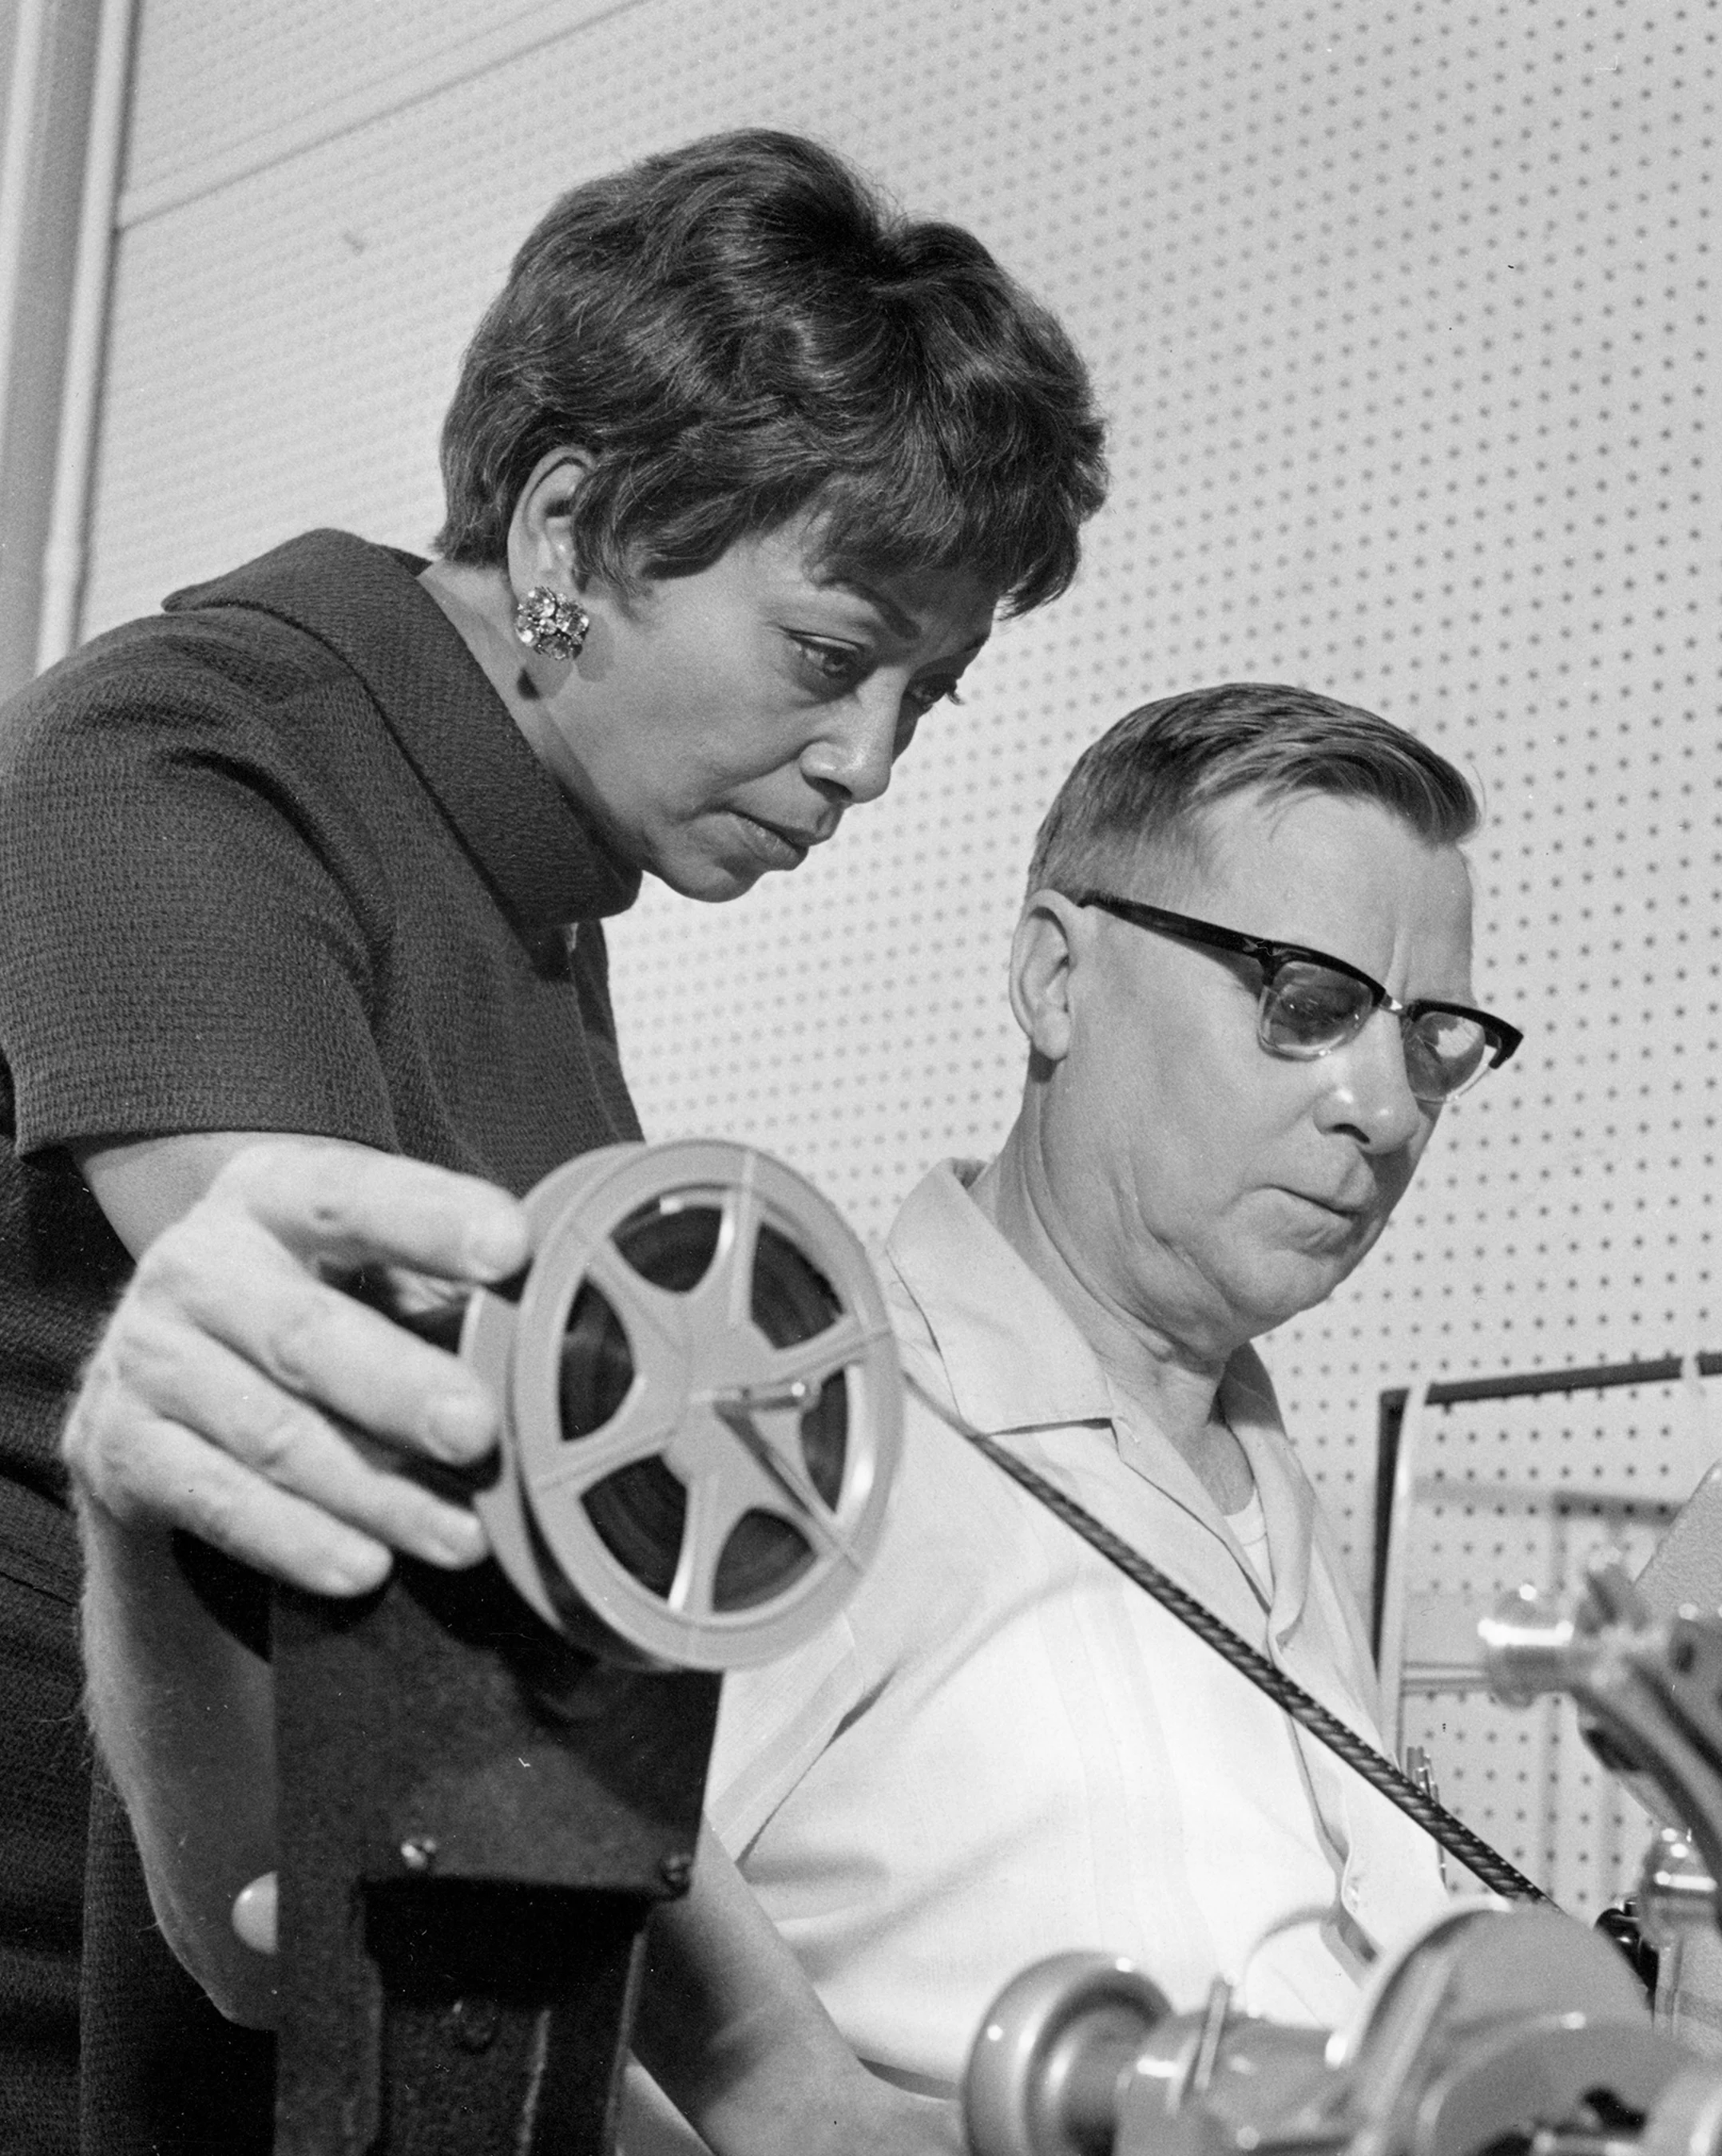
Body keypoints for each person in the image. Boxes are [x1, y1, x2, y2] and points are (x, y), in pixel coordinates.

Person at [0, 127, 1105, 2153]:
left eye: (925, 697)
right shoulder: (184, 759)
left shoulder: (531, 889)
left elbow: (530, 1640)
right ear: (569, 533)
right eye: (832, 656)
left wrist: (788, 2081)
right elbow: (362, 1520)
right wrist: (759, 2084)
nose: (867, 762)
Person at [620, 680, 1524, 2141]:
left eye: (1433, 1040)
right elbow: (545, 1991)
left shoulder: (1261, 1484)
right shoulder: (805, 1422)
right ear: (1056, 979)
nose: (1385, 1108)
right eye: (1309, 1003)